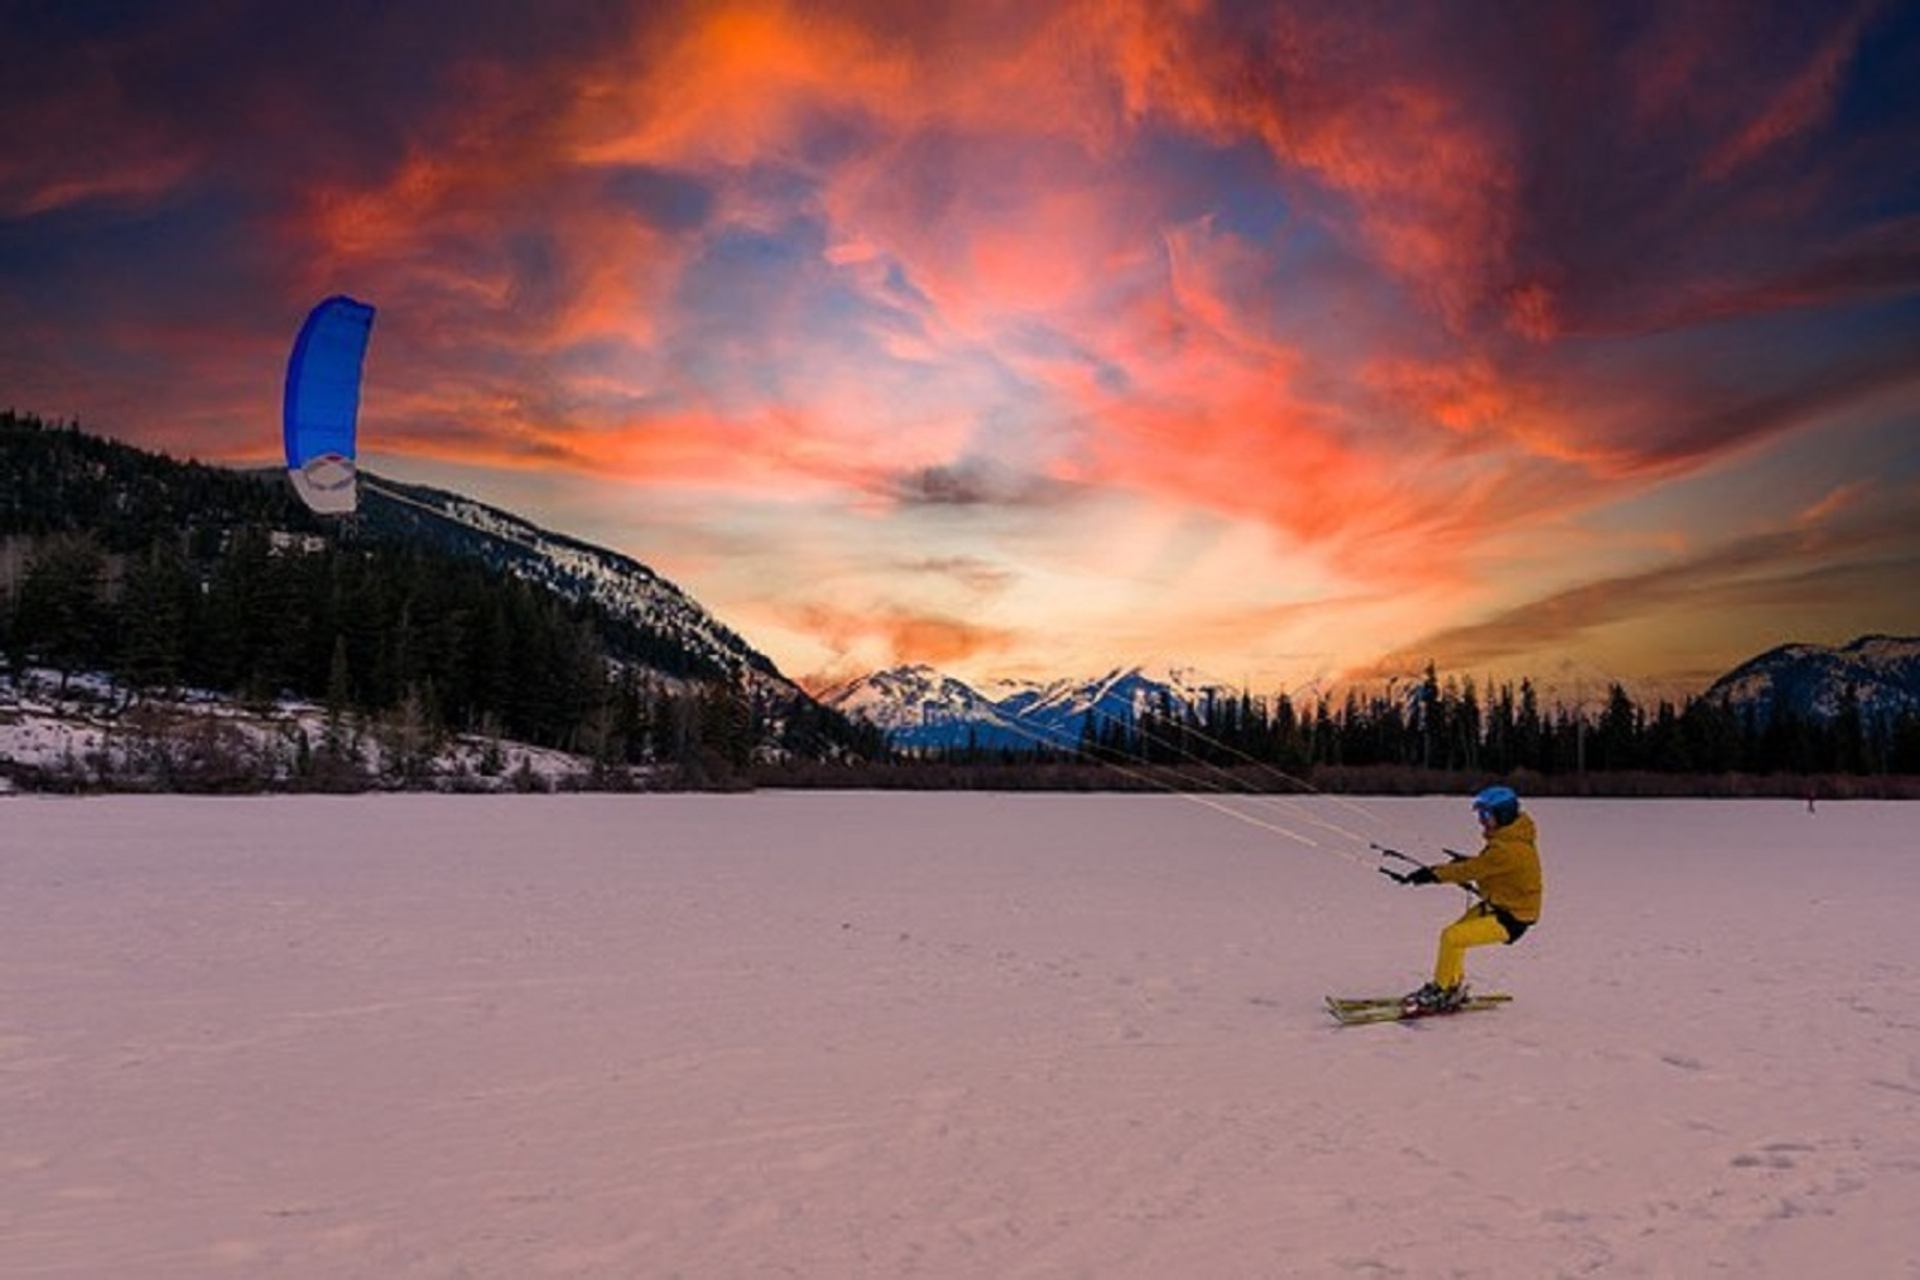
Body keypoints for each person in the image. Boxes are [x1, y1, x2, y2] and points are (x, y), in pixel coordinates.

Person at [1400, 785, 1543, 1013]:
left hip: (1512, 917)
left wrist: (1432, 874)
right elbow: (1486, 867)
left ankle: (1442, 991)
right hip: (1497, 905)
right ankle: (1450, 986)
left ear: (1503, 815)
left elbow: (1474, 869)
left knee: (1452, 937)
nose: (1481, 821)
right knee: (1454, 937)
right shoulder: (1510, 839)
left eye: (1486, 815)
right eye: (1480, 815)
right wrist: (1465, 863)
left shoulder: (1509, 848)